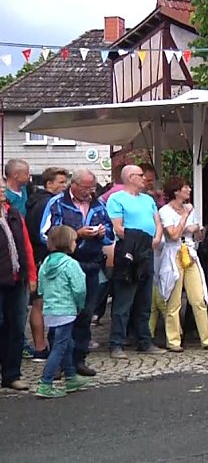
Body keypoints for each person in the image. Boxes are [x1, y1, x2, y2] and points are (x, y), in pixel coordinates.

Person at [43, 168, 113, 376]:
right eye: (85, 187)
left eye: (92, 188)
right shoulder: (57, 203)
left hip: (91, 265)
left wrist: (101, 234)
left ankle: (78, 360)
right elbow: (46, 234)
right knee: (62, 315)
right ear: (73, 184)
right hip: (65, 265)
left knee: (85, 314)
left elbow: (110, 234)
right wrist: (77, 234)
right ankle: (57, 364)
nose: (89, 192)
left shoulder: (99, 204)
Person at [106, 165, 166, 359]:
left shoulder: (148, 200)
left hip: (147, 252)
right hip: (129, 252)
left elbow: (157, 222)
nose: (144, 178)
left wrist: (156, 238)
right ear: (130, 177)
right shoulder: (116, 199)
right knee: (124, 301)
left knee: (144, 299)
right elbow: (118, 227)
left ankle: (144, 341)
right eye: (141, 175)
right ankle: (116, 343)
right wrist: (142, 240)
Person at [155, 177, 208, 352]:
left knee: (198, 297)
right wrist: (185, 219)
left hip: (190, 252)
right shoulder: (165, 211)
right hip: (174, 253)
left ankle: (207, 339)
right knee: (174, 300)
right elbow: (173, 235)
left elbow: (198, 237)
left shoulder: (191, 209)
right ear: (176, 191)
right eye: (185, 187)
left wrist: (198, 229)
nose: (189, 190)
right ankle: (173, 340)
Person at [34, 226, 91, 398]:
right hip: (66, 310)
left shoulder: (45, 263)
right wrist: (80, 305)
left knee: (66, 343)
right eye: (74, 241)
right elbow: (79, 288)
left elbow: (41, 288)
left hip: (50, 310)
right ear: (68, 243)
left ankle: (71, 376)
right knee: (59, 347)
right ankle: (46, 382)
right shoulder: (71, 264)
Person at [25, 167, 68, 361]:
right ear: (49, 184)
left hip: (38, 256)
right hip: (43, 256)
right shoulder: (48, 203)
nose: (64, 186)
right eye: (61, 182)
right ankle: (41, 347)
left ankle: (42, 346)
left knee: (39, 302)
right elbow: (44, 233)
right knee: (40, 303)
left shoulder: (35, 200)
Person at [0, 176, 37, 391]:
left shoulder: (13, 214)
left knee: (15, 327)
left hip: (16, 279)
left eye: (2, 186)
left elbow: (26, 246)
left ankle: (12, 374)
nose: (2, 189)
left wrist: (31, 275)